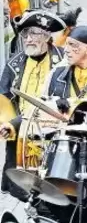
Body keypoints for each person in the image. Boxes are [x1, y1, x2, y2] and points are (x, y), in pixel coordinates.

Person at [0, 11, 66, 200]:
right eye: (25, 34)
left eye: (34, 34)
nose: (28, 39)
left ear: (46, 36)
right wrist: (6, 123)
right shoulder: (14, 64)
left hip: (52, 135)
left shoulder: (62, 62)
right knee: (21, 191)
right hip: (20, 134)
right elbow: (3, 98)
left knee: (51, 191)